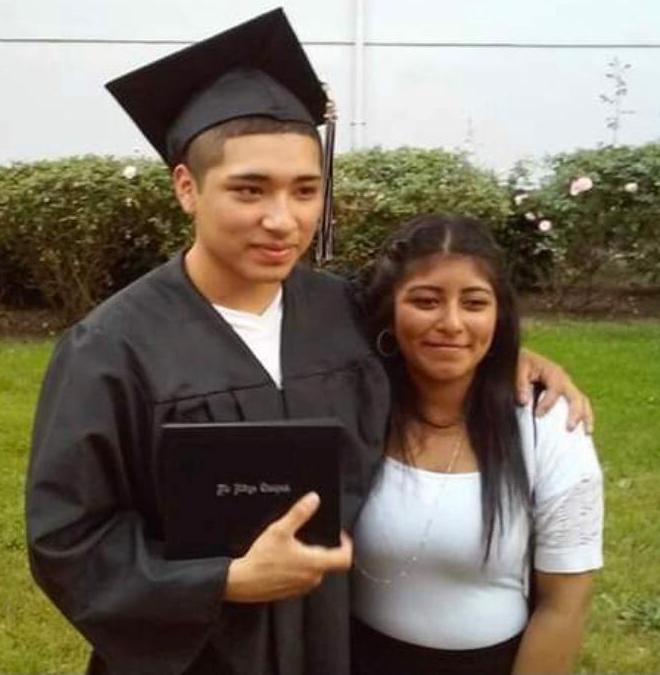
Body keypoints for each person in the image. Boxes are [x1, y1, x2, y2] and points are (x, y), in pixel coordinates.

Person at [25, 10, 592, 675]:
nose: (282, 219)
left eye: (304, 191)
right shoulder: (111, 349)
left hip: (329, 639)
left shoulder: (341, 310)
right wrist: (224, 579)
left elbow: (434, 338)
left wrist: (511, 357)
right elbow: (67, 539)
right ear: (186, 187)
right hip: (197, 656)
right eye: (249, 190)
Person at [351, 214, 604, 675]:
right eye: (426, 301)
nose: (451, 323)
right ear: (390, 310)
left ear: (498, 315)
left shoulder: (547, 426)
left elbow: (564, 606)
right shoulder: (356, 408)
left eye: (474, 303)